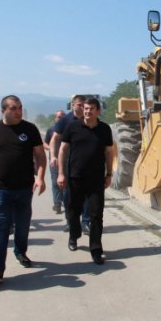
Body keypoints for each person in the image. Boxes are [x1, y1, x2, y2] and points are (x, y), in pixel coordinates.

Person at [0, 95, 46, 284]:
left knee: (22, 225)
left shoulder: (29, 129)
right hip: (0, 189)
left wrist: (41, 177)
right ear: (3, 110)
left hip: (23, 188)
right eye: (13, 108)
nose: (18, 111)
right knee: (1, 227)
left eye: (19, 107)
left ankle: (20, 252)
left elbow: (40, 156)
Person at [58, 97, 113, 265]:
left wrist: (109, 174)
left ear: (98, 111)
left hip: (96, 179)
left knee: (97, 215)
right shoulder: (72, 127)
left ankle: (96, 249)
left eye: (91, 109)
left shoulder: (104, 129)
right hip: (75, 178)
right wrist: (61, 173)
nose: (87, 111)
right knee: (73, 211)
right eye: (86, 109)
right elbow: (62, 150)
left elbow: (109, 152)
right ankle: (74, 236)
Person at [50, 95, 91, 234]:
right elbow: (54, 139)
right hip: (68, 163)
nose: (82, 107)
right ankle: (70, 221)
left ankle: (86, 222)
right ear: (73, 105)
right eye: (79, 105)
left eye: (83, 105)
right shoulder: (65, 121)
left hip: (85, 163)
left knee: (86, 194)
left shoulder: (89, 120)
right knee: (69, 195)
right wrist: (53, 156)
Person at [44, 110, 66, 214]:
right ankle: (57, 204)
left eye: (62, 117)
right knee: (55, 182)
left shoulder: (68, 129)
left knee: (65, 183)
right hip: (54, 161)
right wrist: (51, 150)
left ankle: (65, 202)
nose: (60, 119)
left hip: (66, 160)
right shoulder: (51, 130)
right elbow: (45, 143)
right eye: (58, 117)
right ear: (55, 118)